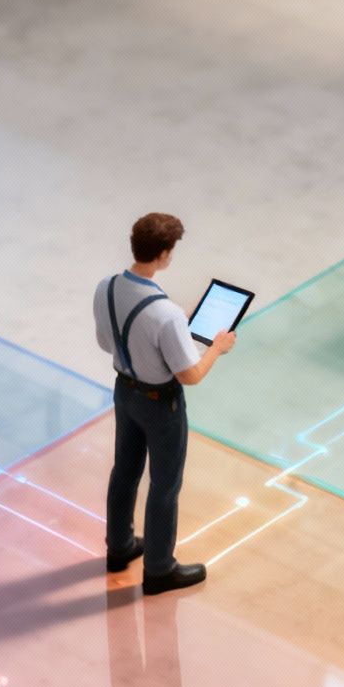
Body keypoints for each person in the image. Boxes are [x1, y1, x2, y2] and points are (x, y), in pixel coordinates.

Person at [94, 213, 236, 594]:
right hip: (160, 405)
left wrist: (161, 336)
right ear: (164, 254)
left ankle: (119, 547)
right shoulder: (167, 313)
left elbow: (106, 343)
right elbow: (190, 375)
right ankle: (158, 568)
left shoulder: (106, 288)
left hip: (124, 391)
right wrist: (216, 348)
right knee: (164, 484)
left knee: (124, 469)